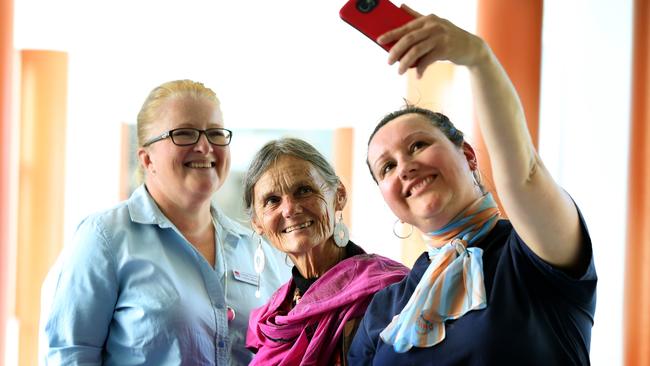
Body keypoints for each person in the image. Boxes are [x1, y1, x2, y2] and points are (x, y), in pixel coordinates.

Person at [348, 5, 597, 365]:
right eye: (387, 167)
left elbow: (524, 176)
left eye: (418, 145)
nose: (405, 167)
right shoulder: (387, 307)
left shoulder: (533, 254)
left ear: (467, 155)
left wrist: (477, 58)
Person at [40, 79, 290, 365]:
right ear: (147, 159)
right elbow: (69, 355)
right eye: (184, 134)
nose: (205, 147)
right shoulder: (104, 239)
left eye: (215, 133)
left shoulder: (255, 248)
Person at [243, 137, 409, 366]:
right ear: (257, 223)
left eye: (303, 190)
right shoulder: (275, 316)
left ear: (339, 195)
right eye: (272, 200)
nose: (290, 209)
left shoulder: (391, 292)